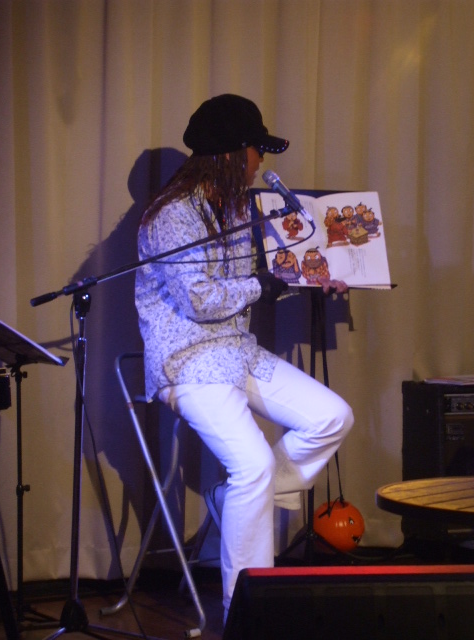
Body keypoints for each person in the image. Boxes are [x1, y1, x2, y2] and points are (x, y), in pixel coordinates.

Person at [134, 94, 354, 623]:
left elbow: (264, 278)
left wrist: (314, 278)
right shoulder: (172, 214)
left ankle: (228, 499)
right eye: (258, 150)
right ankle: (247, 612)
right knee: (252, 466)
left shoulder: (234, 207)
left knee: (332, 417)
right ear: (235, 153)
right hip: (188, 361)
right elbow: (199, 298)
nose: (261, 162)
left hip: (236, 351)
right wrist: (263, 286)